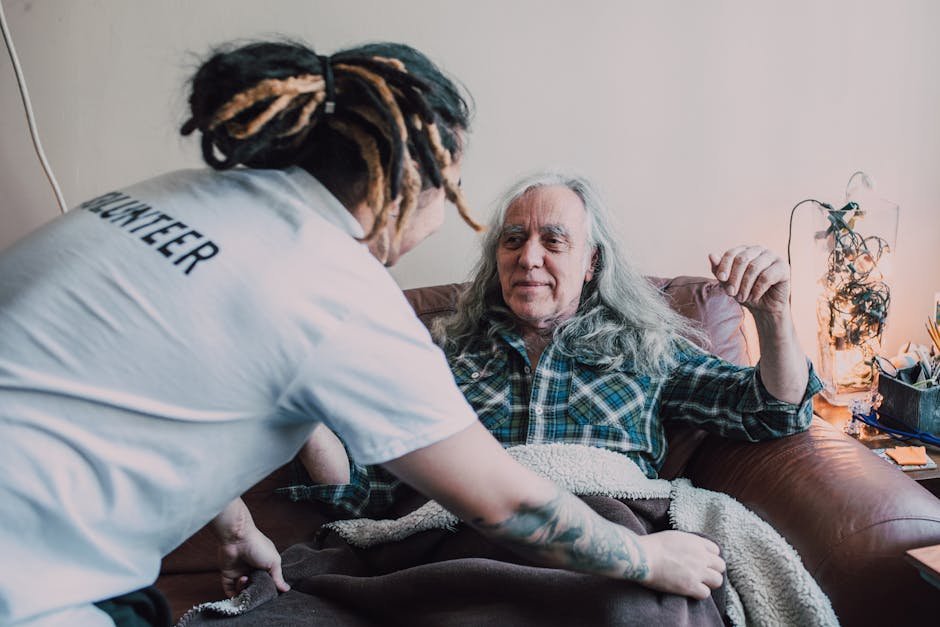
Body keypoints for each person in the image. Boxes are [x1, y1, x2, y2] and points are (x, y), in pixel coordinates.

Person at [0, 42, 725, 627]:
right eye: (454, 192)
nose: (446, 222)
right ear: (409, 184)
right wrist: (645, 559)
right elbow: (504, 502)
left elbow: (129, 371)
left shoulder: (169, 195)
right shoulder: (339, 287)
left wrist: (229, 524)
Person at [296, 170, 822, 549]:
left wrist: (774, 316)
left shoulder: (647, 347)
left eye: (554, 241)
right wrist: (299, 388)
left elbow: (773, 411)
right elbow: (367, 490)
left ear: (592, 262)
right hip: (468, 544)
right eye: (514, 240)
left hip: (614, 533)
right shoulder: (439, 353)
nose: (529, 257)